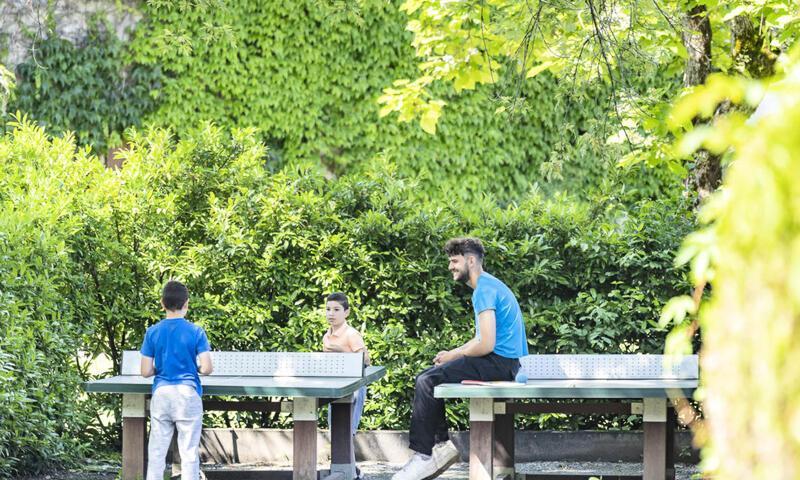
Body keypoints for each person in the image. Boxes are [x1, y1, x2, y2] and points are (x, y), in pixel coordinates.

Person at [392, 237, 529, 480]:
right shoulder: (489, 285)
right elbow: (482, 340)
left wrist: (455, 354)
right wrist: (452, 354)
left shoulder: (484, 290)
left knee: (427, 380)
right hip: (503, 362)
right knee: (427, 377)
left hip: (499, 363)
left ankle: (428, 454)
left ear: (471, 260)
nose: (450, 266)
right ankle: (439, 446)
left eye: (454, 261)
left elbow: (485, 344)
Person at [140, 280, 213, 480]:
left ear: (162, 303)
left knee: (156, 451)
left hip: (162, 394)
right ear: (186, 304)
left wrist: (161, 367)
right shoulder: (196, 331)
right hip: (187, 394)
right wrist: (193, 366)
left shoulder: (152, 332)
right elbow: (207, 368)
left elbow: (145, 371)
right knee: (188, 451)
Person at [323, 292, 370, 479]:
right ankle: (350, 470)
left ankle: (352, 473)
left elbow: (366, 360)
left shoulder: (352, 334)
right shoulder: (327, 336)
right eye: (328, 309)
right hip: (334, 388)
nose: (331, 314)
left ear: (346, 312)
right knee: (336, 430)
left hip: (354, 388)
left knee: (347, 430)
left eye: (336, 309)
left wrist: (343, 351)